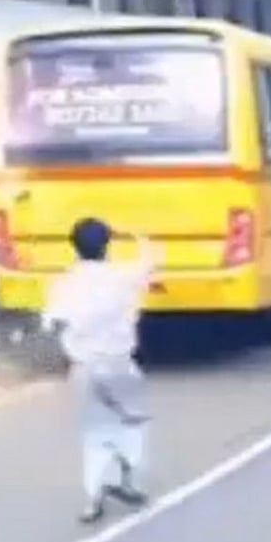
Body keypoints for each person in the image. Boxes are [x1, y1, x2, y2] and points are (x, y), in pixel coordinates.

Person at [42, 217, 159, 524]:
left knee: (94, 433)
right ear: (107, 245)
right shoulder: (123, 276)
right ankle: (128, 481)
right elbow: (151, 260)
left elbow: (51, 322)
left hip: (84, 366)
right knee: (130, 424)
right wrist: (134, 233)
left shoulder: (65, 283)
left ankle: (93, 498)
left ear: (74, 247)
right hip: (120, 362)